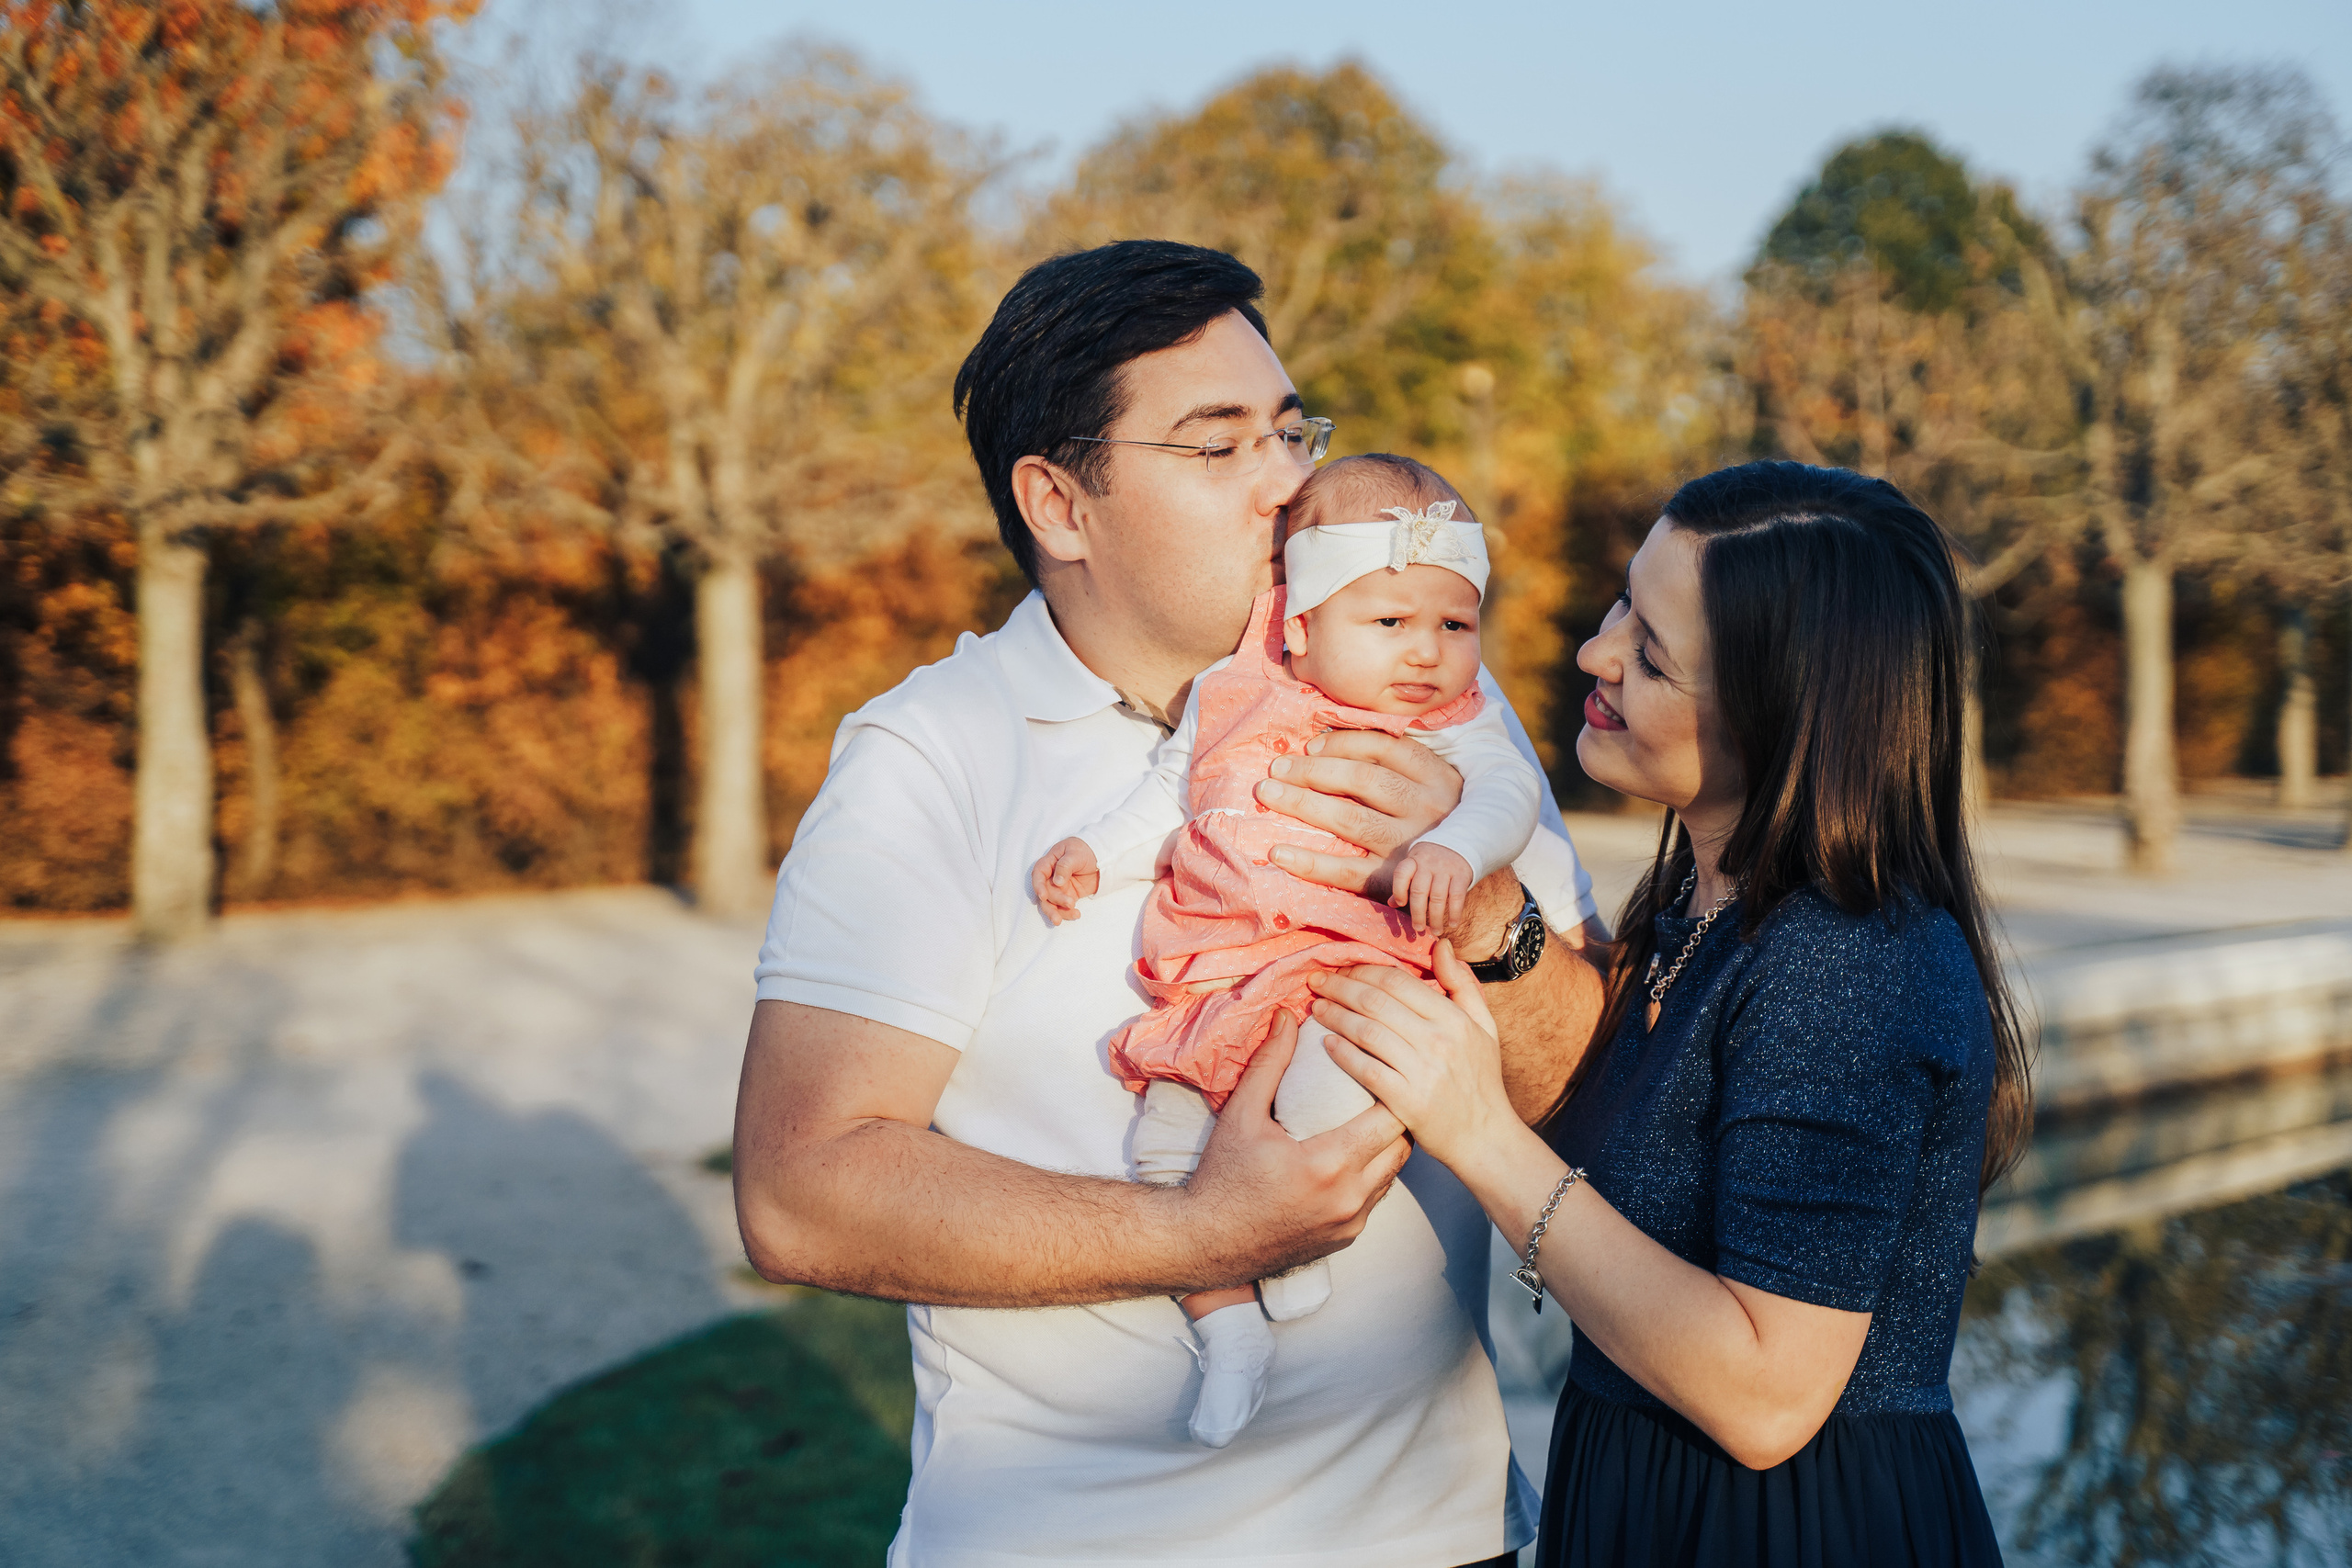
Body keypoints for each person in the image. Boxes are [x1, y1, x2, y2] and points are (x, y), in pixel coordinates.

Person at [731, 239, 1610, 1568]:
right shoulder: (935, 754)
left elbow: (1593, 1092)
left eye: (1291, 429)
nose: (1289, 483)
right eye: (1219, 445)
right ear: (1060, 502)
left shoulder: (1433, 706)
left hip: (1444, 1537)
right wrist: (1205, 1231)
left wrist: (1488, 911)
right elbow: (802, 1190)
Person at [1308, 461, 2030, 1567]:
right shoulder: (1700, 908)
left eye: (1650, 654)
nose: (1595, 654)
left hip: (1794, 1528)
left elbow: (1766, 1396)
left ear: (1784, 717)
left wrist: (1479, 1137)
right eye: (1619, 606)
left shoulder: (1850, 957)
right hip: (1649, 1498)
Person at [1029, 453, 1545, 1448]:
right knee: (1164, 1156)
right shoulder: (1231, 694)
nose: (1427, 652)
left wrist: (1454, 847)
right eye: (1388, 623)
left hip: (1341, 990)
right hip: (1212, 991)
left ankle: (1294, 1247)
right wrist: (1098, 850)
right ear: (1300, 627)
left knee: (1325, 1099)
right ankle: (1230, 1337)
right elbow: (1171, 794)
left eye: (1454, 623)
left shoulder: (1455, 725)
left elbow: (1505, 795)